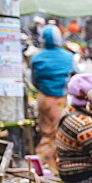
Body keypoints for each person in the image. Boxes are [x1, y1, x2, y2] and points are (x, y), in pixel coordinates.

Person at [30, 25, 76, 174]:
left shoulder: (36, 57)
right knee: (57, 134)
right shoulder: (68, 56)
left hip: (43, 98)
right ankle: (54, 169)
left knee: (45, 133)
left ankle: (41, 167)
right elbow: (76, 77)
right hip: (60, 100)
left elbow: (34, 80)